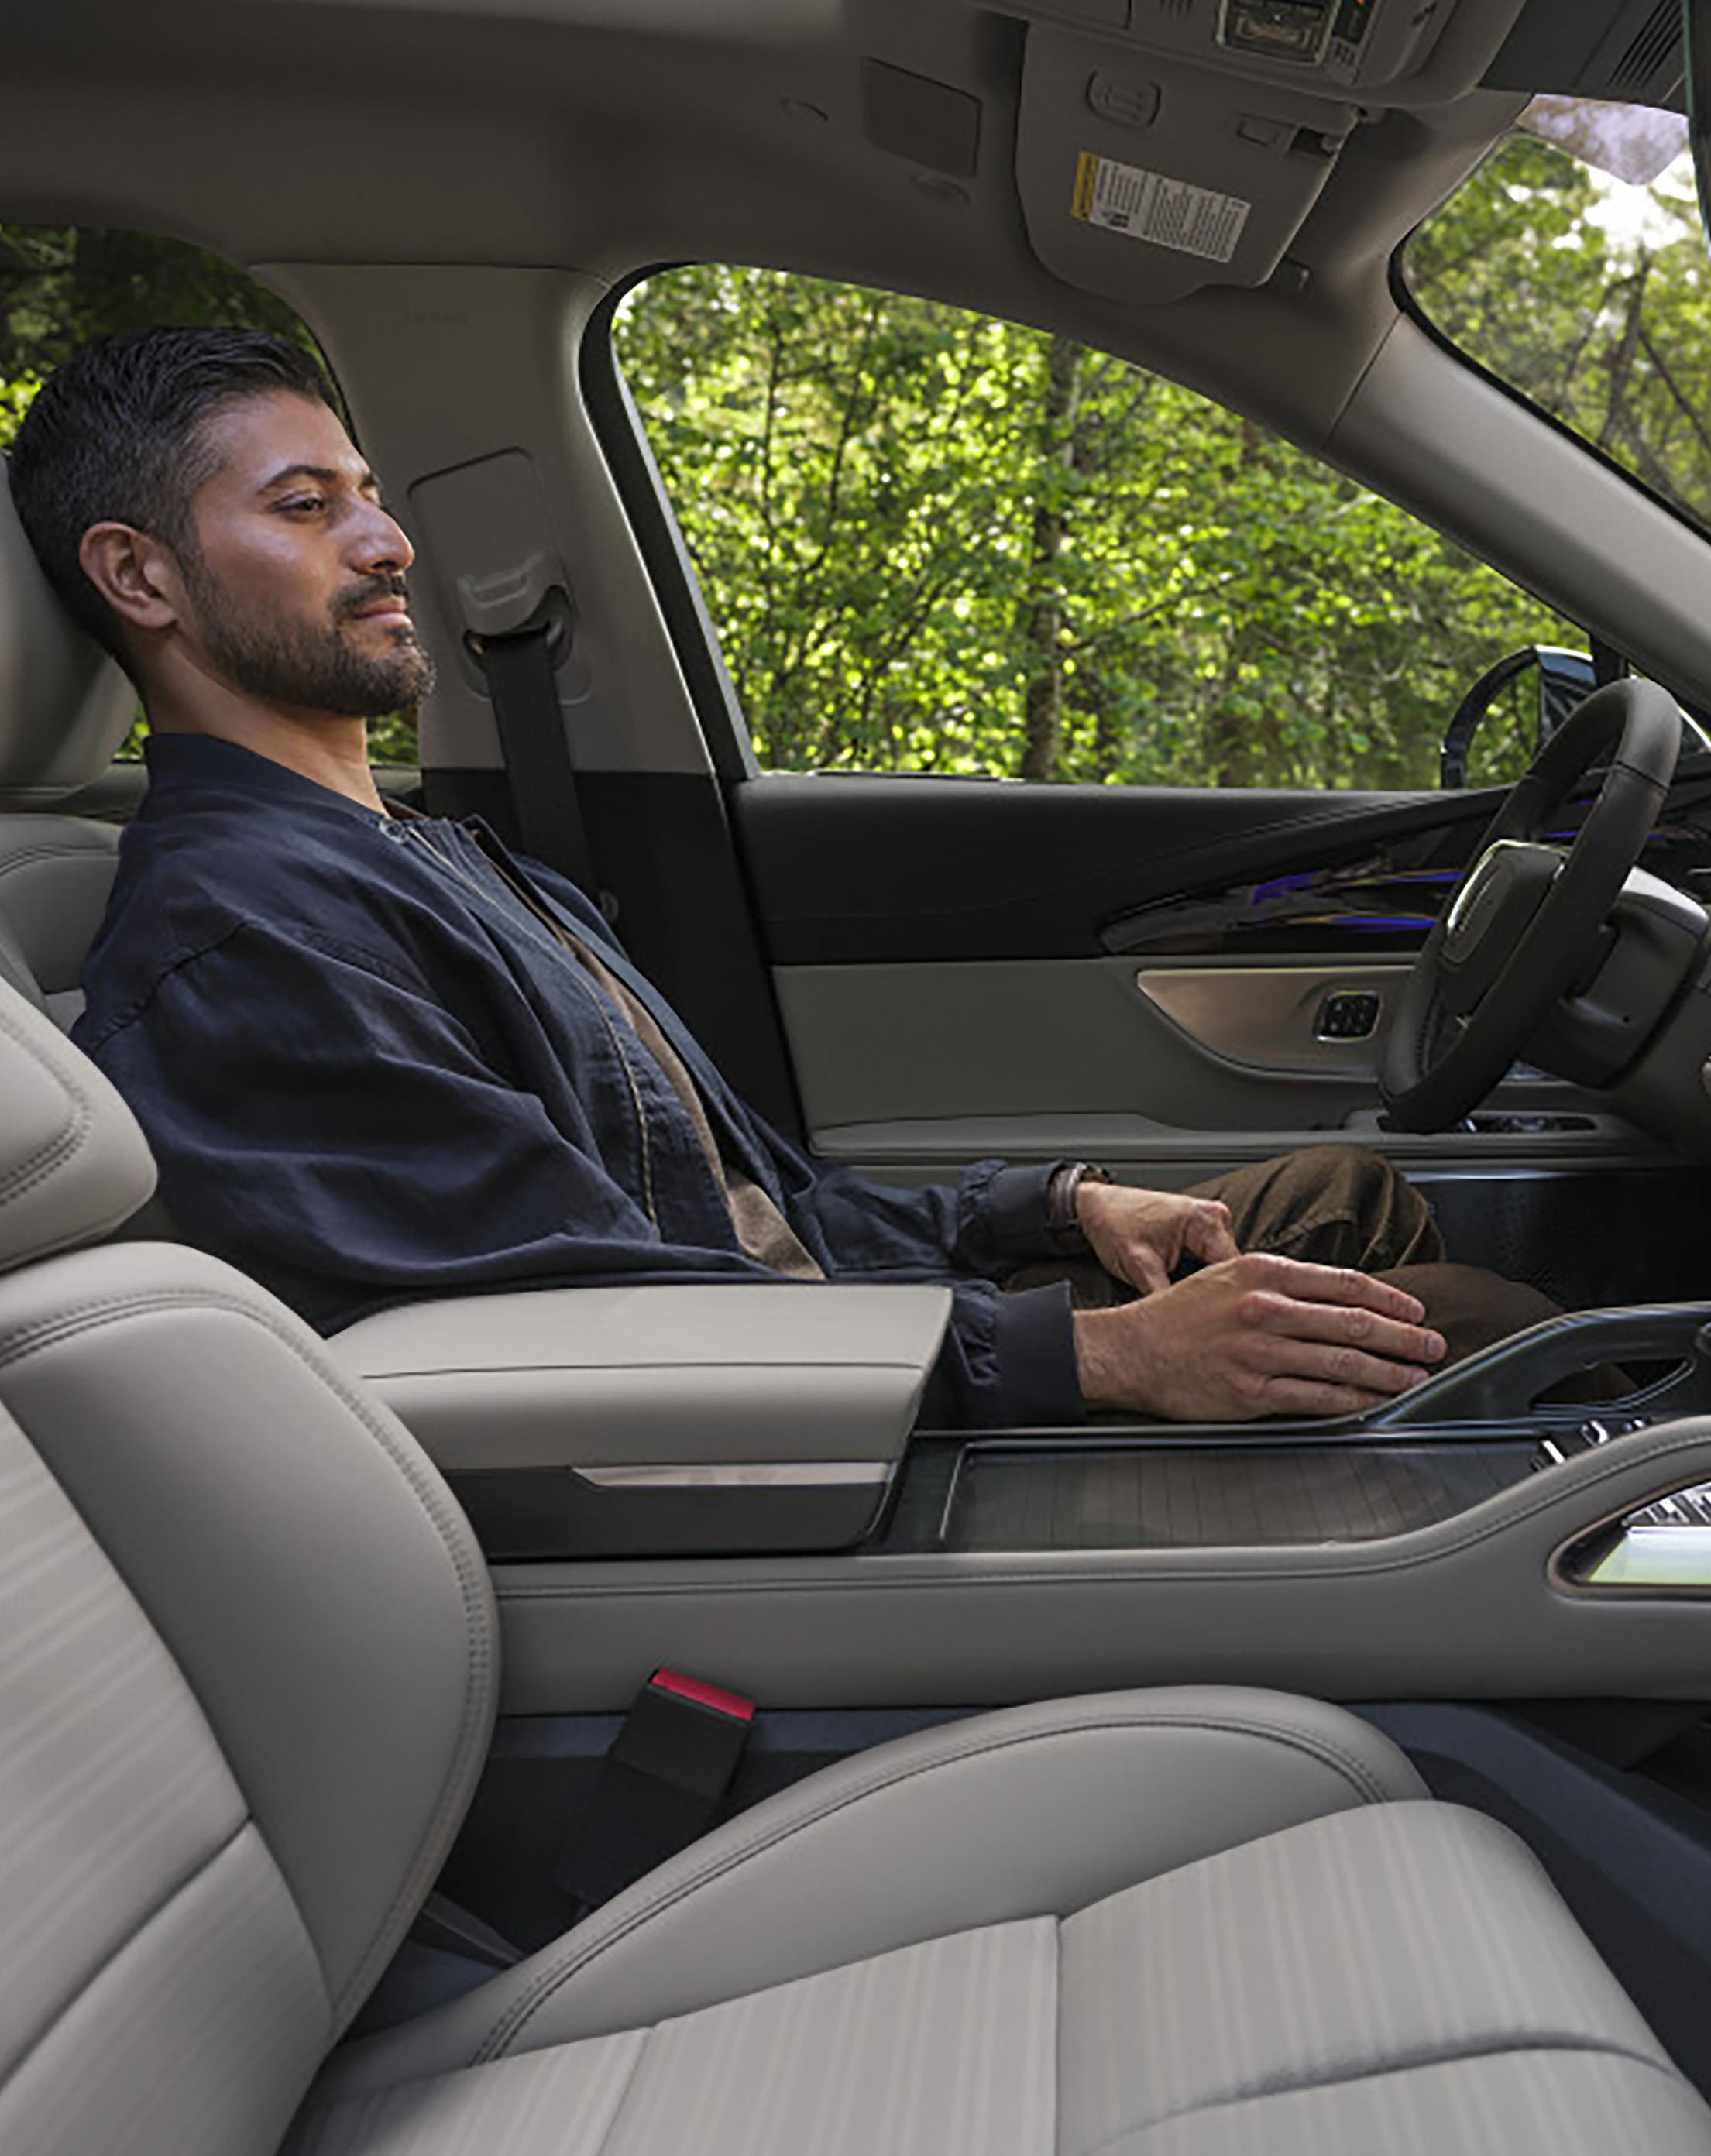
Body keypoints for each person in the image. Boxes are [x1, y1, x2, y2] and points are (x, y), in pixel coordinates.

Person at [9, 326, 1554, 1427]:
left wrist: (1064, 1203)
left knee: (1335, 1200)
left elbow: (764, 1212)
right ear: (138, 575)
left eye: (366, 490)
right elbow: (571, 1336)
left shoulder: (420, 853)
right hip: (786, 1449)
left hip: (812, 1337)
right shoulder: (246, 939)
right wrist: (1106, 1361)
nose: (390, 539)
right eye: (305, 506)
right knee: (1501, 1345)